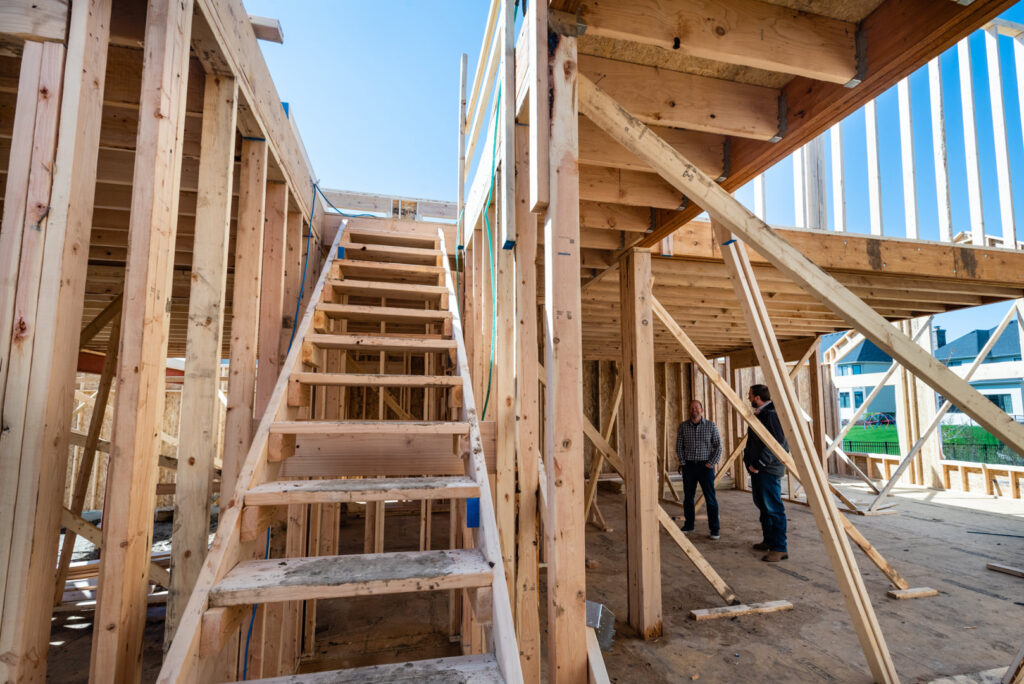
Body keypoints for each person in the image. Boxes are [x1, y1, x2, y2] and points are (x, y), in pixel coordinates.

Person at [743, 384, 789, 562]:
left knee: (773, 508)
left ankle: (780, 548)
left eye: (750, 395)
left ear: (757, 397)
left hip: (768, 469)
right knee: (763, 506)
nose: (748, 398)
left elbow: (777, 443)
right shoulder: (763, 414)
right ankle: (769, 541)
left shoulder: (771, 414)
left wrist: (760, 463)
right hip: (759, 469)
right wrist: (749, 461)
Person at [676, 399, 721, 540]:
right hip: (689, 466)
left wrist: (711, 463)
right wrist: (683, 463)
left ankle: (715, 530)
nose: (694, 410)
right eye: (692, 407)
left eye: (697, 407)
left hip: (705, 467)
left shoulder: (710, 425)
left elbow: (718, 446)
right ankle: (689, 525)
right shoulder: (683, 426)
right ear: (690, 410)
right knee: (688, 498)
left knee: (710, 498)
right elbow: (679, 446)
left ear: (701, 410)